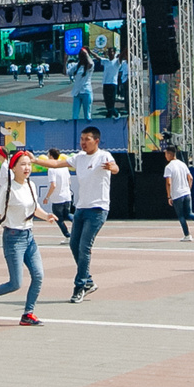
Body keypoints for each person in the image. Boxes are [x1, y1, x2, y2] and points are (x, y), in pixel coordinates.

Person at [0, 150, 50, 322]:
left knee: (38, 276)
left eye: (29, 164)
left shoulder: (30, 186)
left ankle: (27, 314)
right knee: (15, 283)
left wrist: (47, 216)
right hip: (13, 238)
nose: (27, 168)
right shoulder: (8, 189)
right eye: (22, 164)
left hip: (29, 237)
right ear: (13, 167)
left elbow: (34, 208)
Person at [57, 126, 119, 299]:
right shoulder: (79, 158)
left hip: (98, 209)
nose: (83, 142)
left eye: (87, 139)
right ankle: (89, 281)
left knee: (84, 247)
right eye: (82, 139)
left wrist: (111, 168)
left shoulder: (104, 155)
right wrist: (33, 161)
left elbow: (116, 168)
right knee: (73, 245)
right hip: (81, 208)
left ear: (96, 141)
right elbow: (56, 163)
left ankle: (80, 286)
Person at [161, 145, 194, 239]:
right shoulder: (182, 164)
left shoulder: (169, 167)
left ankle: (187, 235)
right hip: (186, 192)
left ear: (170, 154)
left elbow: (168, 183)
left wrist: (169, 196)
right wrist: (188, 189)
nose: (165, 156)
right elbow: (190, 178)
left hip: (177, 194)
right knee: (189, 213)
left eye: (166, 154)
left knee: (181, 215)